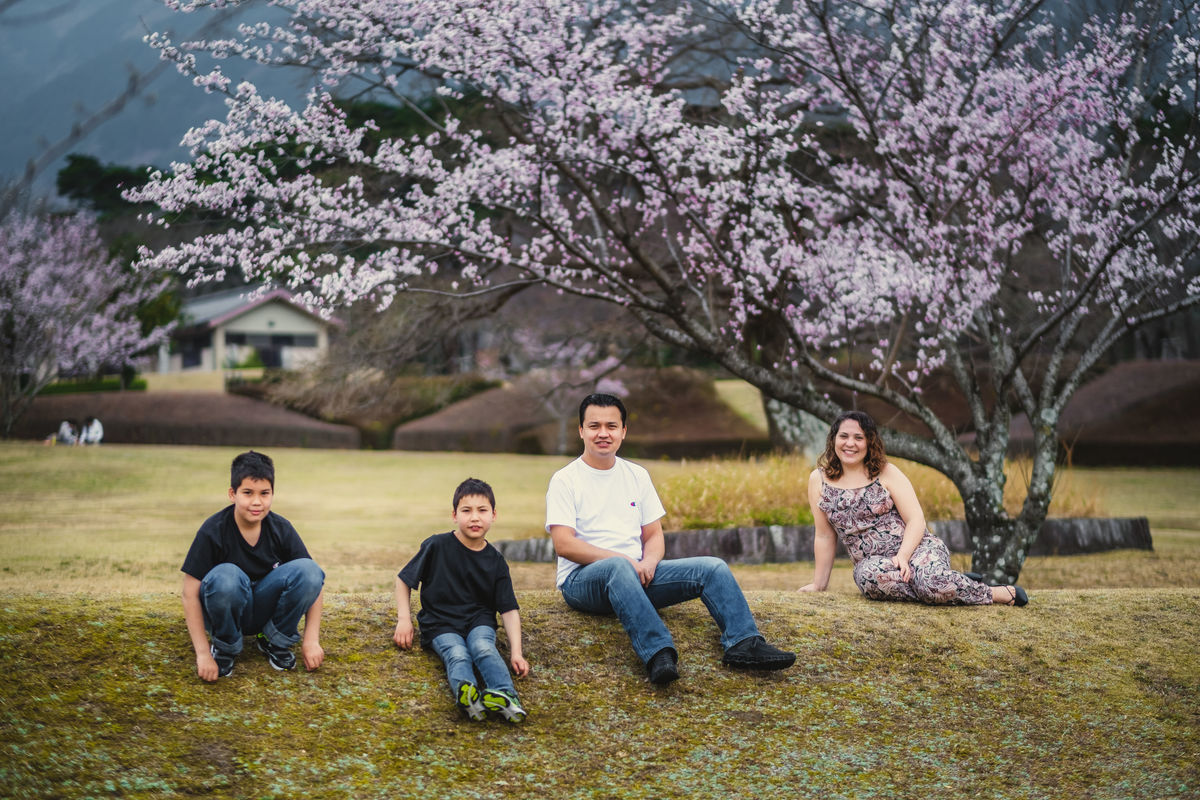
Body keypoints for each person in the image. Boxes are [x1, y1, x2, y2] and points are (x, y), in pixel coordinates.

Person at [546, 393, 796, 685]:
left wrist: (649, 562)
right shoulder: (565, 480)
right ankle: (658, 653)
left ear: (623, 431)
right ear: (581, 431)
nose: (603, 433)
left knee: (712, 568)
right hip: (583, 582)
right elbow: (564, 544)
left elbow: (653, 535)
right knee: (618, 567)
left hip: (635, 576)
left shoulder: (637, 475)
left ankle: (744, 643)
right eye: (594, 426)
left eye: (611, 426)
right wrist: (625, 561)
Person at [799, 410, 1029, 607]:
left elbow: (916, 519)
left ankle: (992, 593)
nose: (850, 444)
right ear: (833, 439)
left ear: (869, 442)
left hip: (917, 550)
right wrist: (819, 584)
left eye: (859, 438)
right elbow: (824, 535)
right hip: (875, 566)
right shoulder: (818, 480)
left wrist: (903, 556)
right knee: (870, 579)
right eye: (844, 436)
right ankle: (947, 584)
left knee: (929, 583)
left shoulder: (886, 472)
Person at [181, 451, 326, 681]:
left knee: (310, 570)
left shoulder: (281, 528)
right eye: (248, 493)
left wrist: (311, 640)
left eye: (264, 493)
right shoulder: (213, 530)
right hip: (227, 605)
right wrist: (202, 654)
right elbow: (189, 593)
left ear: (272, 494)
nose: (257, 502)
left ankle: (273, 640)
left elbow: (313, 582)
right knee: (226, 575)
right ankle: (225, 646)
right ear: (232, 494)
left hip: (263, 610)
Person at [394, 478, 529, 723]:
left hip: (479, 622)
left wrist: (516, 653)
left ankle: (506, 696)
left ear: (494, 515)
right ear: (454, 515)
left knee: (483, 648)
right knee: (457, 653)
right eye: (466, 511)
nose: (474, 518)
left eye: (482, 510)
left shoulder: (496, 561)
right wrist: (404, 619)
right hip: (440, 624)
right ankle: (469, 698)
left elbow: (509, 609)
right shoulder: (436, 545)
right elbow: (403, 580)